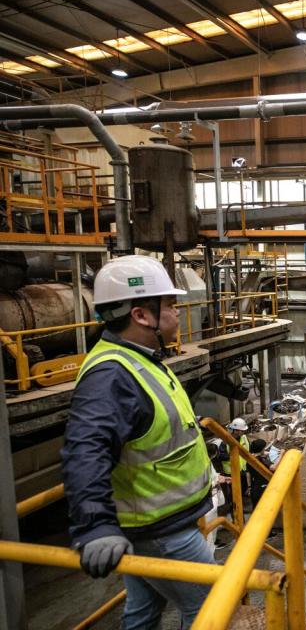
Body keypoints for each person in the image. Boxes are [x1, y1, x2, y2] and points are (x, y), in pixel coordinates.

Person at [61, 255, 215, 629]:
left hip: (157, 523)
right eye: (171, 306)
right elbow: (85, 449)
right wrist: (95, 527)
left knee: (144, 611)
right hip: (161, 531)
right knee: (212, 607)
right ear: (141, 316)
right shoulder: (111, 376)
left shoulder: (140, 359)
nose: (178, 314)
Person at [225, 418, 251, 503]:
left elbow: (248, 450)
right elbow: (221, 456)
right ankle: (234, 506)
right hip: (231, 471)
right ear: (236, 430)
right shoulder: (225, 440)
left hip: (242, 469)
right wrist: (233, 455)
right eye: (241, 431)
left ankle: (242, 503)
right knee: (234, 491)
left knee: (242, 488)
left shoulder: (243, 438)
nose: (243, 432)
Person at [248, 439, 270, 508]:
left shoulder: (249, 458)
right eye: (264, 448)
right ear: (261, 449)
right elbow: (273, 467)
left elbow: (248, 473)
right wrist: (281, 454)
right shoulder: (261, 460)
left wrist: (249, 487)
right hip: (262, 488)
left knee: (255, 507)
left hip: (254, 488)